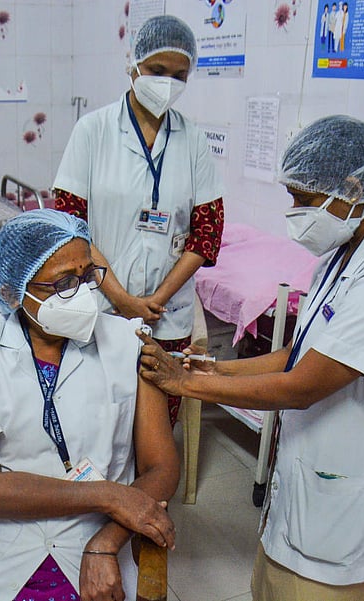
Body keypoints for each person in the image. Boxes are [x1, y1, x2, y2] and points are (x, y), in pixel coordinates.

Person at [138, 115, 364, 600]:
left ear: (353, 188)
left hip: (363, 493)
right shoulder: (343, 250)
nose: (294, 211)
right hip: (315, 477)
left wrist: (186, 385)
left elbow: (303, 385)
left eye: (303, 200)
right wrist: (213, 366)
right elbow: (300, 352)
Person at [0, 209, 179, 601]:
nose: (84, 293)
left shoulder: (131, 341)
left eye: (88, 276)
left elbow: (162, 465)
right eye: (64, 283)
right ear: (12, 291)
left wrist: (107, 539)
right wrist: (108, 495)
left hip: (89, 538)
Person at [53, 14, 224, 427]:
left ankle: (151, 491)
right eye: (157, 71)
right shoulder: (92, 131)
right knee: (99, 417)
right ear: (133, 65)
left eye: (179, 75)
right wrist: (123, 300)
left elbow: (207, 232)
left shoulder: (194, 140)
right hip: (103, 304)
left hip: (169, 312)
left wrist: (157, 300)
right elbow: (70, 226)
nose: (167, 83)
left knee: (157, 423)